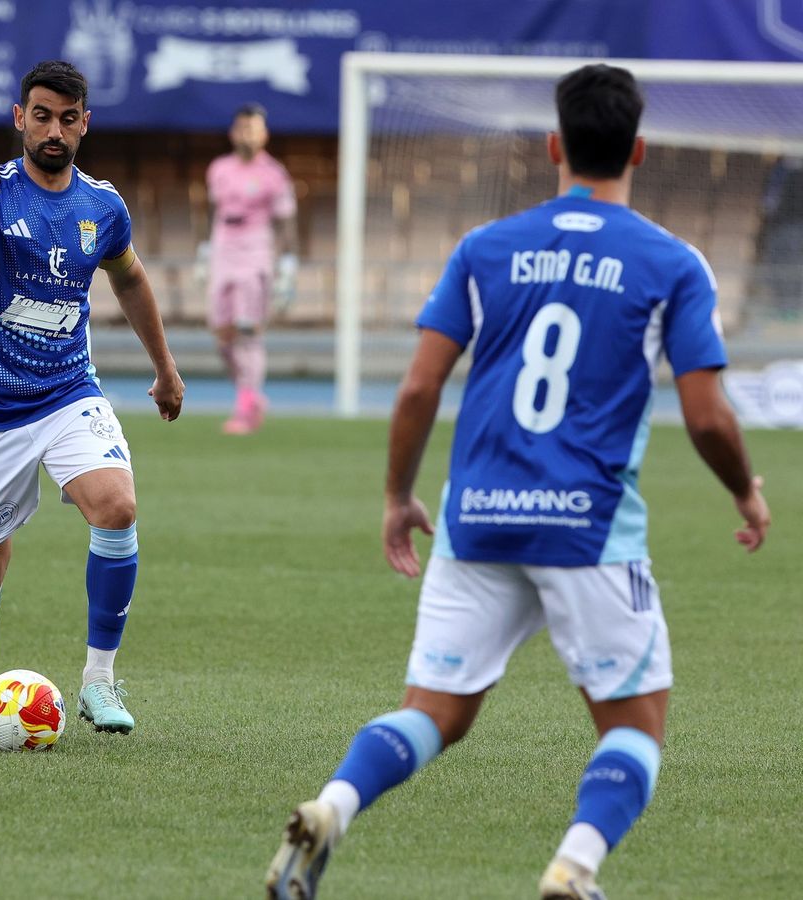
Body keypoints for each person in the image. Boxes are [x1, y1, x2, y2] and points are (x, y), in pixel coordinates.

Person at [266, 65, 770, 899]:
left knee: (432, 712)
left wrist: (398, 496)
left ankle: (333, 804)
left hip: (478, 519)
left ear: (553, 146)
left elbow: (421, 386)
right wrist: (745, 490)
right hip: (589, 527)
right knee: (637, 728)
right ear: (640, 148)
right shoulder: (673, 263)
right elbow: (709, 415)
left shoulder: (486, 247)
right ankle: (574, 867)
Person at [0, 60, 184, 737]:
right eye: (41, 115)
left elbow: (130, 280)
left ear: (84, 123)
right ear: (19, 118)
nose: (53, 129)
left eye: (67, 118)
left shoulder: (102, 206)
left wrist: (166, 368)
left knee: (117, 505)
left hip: (67, 393)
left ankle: (100, 681)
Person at [203, 103, 298, 434]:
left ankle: (245, 408)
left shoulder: (273, 173)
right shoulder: (218, 169)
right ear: (233, 132)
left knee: (247, 330)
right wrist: (205, 251)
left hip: (256, 250)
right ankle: (250, 395)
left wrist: (287, 264)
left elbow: (286, 222)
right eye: (243, 128)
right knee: (221, 335)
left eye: (255, 129)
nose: (248, 135)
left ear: (264, 134)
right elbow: (213, 210)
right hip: (223, 248)